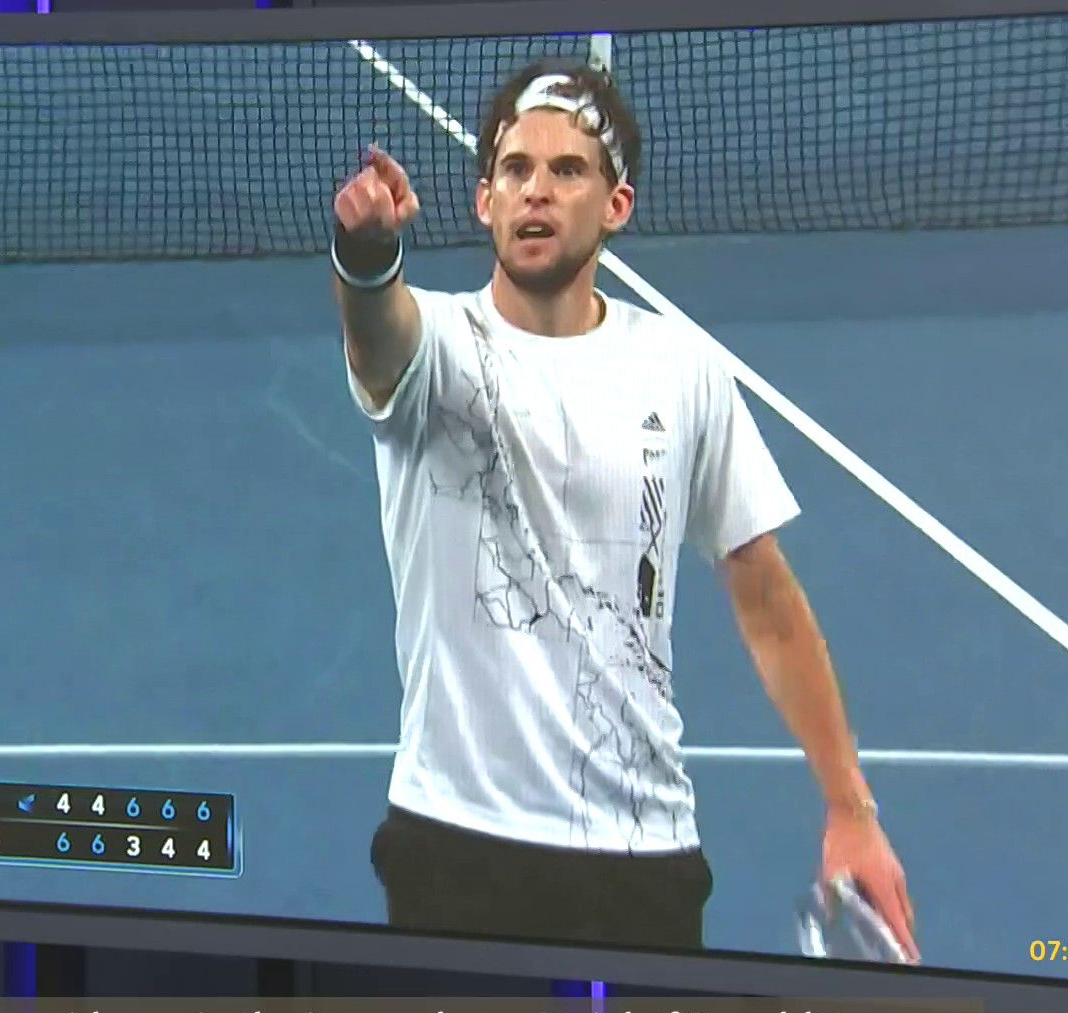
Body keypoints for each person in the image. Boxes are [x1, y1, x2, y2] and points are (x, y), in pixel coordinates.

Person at [333, 59, 919, 960]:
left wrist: (852, 808)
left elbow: (766, 598)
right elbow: (378, 337)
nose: (537, 190)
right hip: (455, 846)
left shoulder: (683, 369)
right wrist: (368, 256)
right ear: (484, 201)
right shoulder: (438, 347)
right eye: (516, 169)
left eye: (567, 170)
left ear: (616, 206)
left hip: (640, 854)